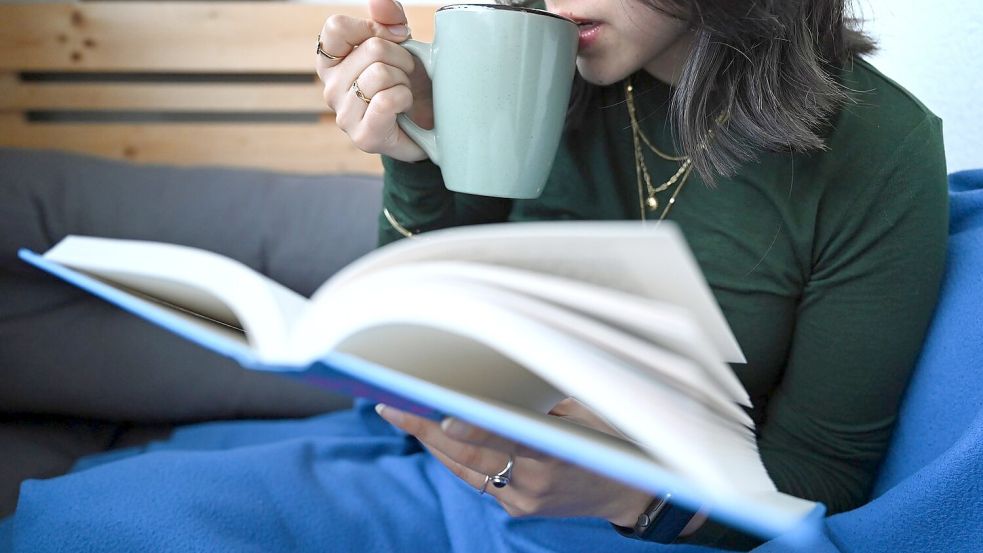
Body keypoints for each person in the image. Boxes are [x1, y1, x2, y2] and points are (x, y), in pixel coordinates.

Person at [3, 0, 947, 551]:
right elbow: (430, 298)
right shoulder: (542, 62)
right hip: (443, 479)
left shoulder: (877, 147)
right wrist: (413, 154)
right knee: (78, 520)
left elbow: (826, 478)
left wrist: (630, 496)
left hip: (643, 533)